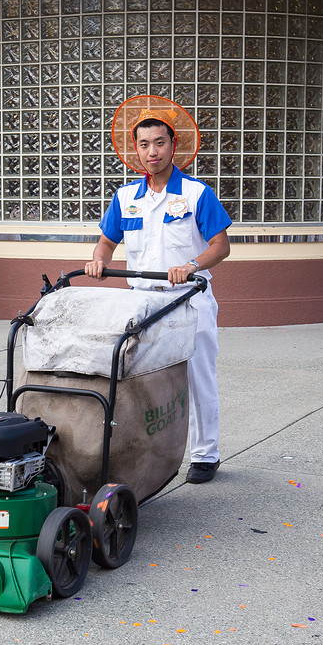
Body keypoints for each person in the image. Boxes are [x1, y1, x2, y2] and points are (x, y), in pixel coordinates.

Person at [86, 99, 231, 483]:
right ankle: (140, 449)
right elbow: (105, 243)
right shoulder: (125, 198)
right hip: (142, 302)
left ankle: (205, 454)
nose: (152, 151)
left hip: (190, 300)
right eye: (145, 143)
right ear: (135, 149)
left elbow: (220, 245)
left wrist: (193, 266)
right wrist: (98, 259)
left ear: (173, 144)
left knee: (197, 376)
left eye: (160, 142)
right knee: (137, 377)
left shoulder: (198, 194)